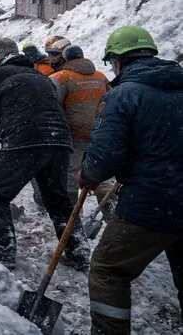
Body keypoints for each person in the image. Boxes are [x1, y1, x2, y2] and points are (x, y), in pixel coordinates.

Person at [78, 26, 183, 335]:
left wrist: (89, 174)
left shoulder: (123, 95)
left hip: (151, 203)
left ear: (118, 62)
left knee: (108, 269)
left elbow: (105, 154)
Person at [0, 37, 90, 271]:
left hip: (24, 140)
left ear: (1, 55)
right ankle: (79, 253)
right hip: (58, 141)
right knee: (59, 202)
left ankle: (3, 253)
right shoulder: (40, 76)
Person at [50, 45, 113, 218]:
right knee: (102, 174)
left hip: (73, 137)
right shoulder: (101, 77)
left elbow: (51, 105)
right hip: (100, 135)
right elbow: (112, 101)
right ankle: (112, 212)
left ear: (65, 59)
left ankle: (73, 219)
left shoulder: (59, 78)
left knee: (70, 176)